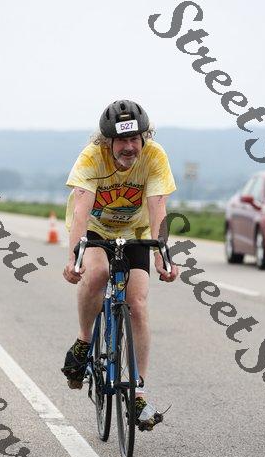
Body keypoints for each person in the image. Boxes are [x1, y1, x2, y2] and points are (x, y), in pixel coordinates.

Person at [62, 99, 179, 430]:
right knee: (97, 272)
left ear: (144, 138)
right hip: (95, 229)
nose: (129, 147)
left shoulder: (154, 156)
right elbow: (82, 209)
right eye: (122, 140)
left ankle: (137, 390)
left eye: (135, 139)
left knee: (137, 304)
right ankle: (84, 341)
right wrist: (74, 258)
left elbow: (157, 207)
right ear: (107, 142)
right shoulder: (91, 157)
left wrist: (162, 254)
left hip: (135, 232)